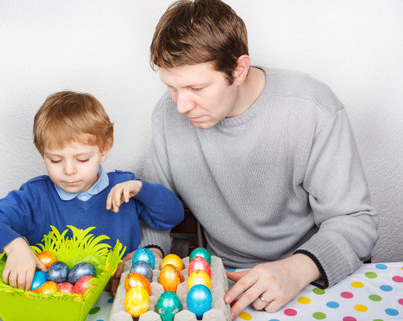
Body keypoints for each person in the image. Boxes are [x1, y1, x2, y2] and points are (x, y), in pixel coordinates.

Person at [140, 0, 379, 318]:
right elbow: (154, 211)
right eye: (171, 87)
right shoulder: (167, 116)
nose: (182, 105)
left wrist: (297, 269)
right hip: (223, 290)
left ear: (238, 70)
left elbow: (355, 220)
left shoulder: (312, 109)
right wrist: (148, 257)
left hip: (310, 279)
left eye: (196, 87)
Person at [0, 91, 184, 291]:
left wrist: (141, 188)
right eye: (55, 159)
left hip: (116, 299)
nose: (69, 170)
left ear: (105, 149)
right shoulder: (35, 196)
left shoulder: (123, 188)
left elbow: (172, 216)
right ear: (41, 152)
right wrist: (15, 247)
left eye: (82, 159)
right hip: (54, 304)